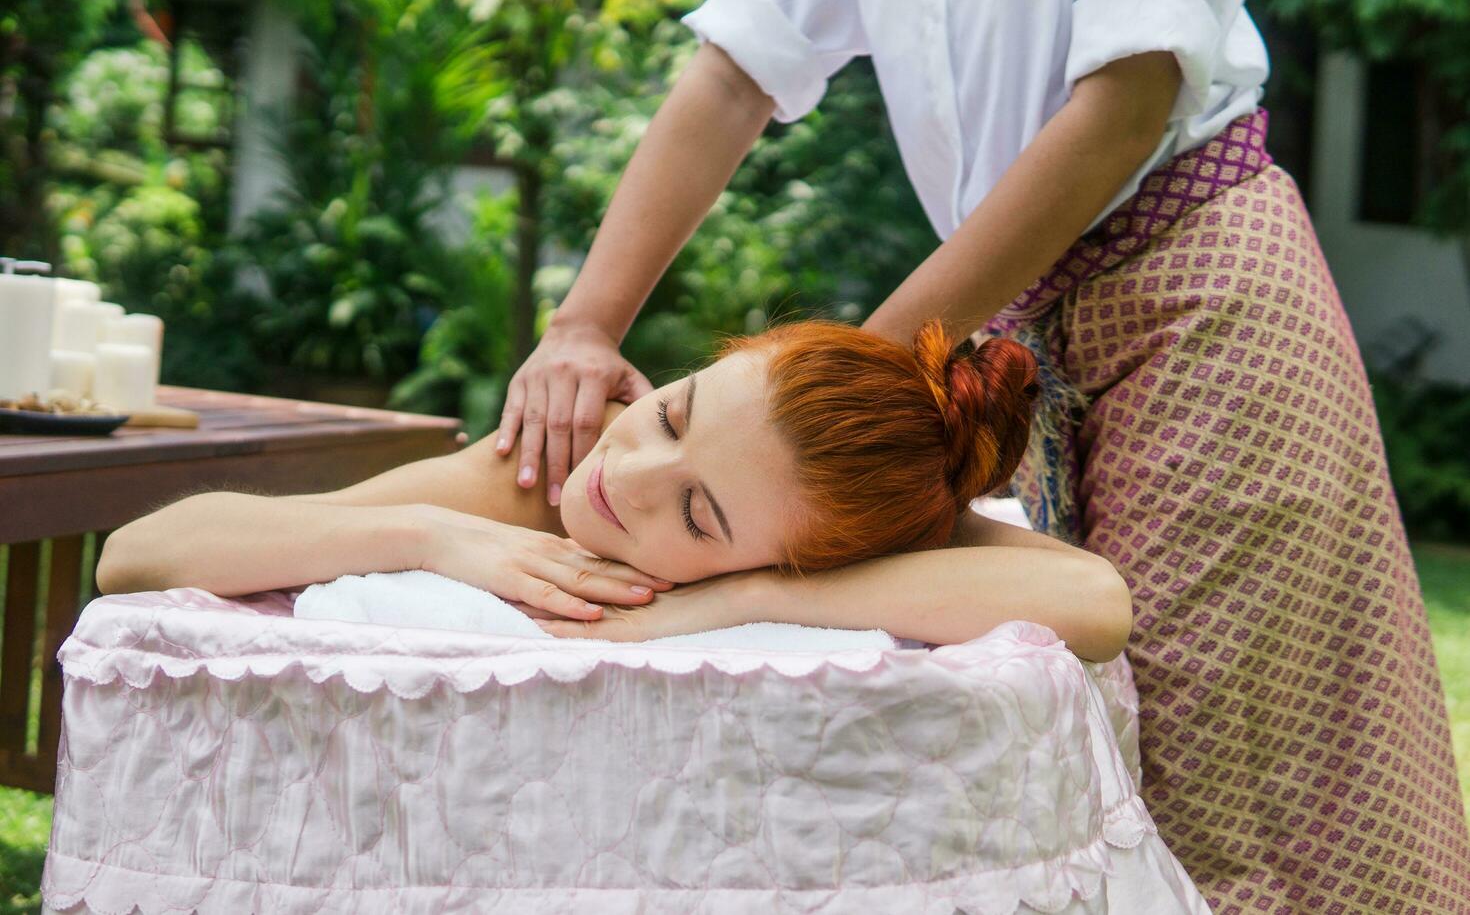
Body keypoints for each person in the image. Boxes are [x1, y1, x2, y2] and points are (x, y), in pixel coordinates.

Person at [492, 0, 1470, 909]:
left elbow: (1122, 114)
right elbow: (734, 74)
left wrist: (824, 405)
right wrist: (583, 325)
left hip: (1198, 294)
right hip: (1005, 317)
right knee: (1061, 712)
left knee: (1204, 737)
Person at [97, 320, 1134, 662]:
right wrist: (425, 533)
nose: (623, 478)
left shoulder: (857, 529)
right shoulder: (540, 477)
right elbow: (139, 551)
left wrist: (744, 598)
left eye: (697, 514)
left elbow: (1098, 603)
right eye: (675, 412)